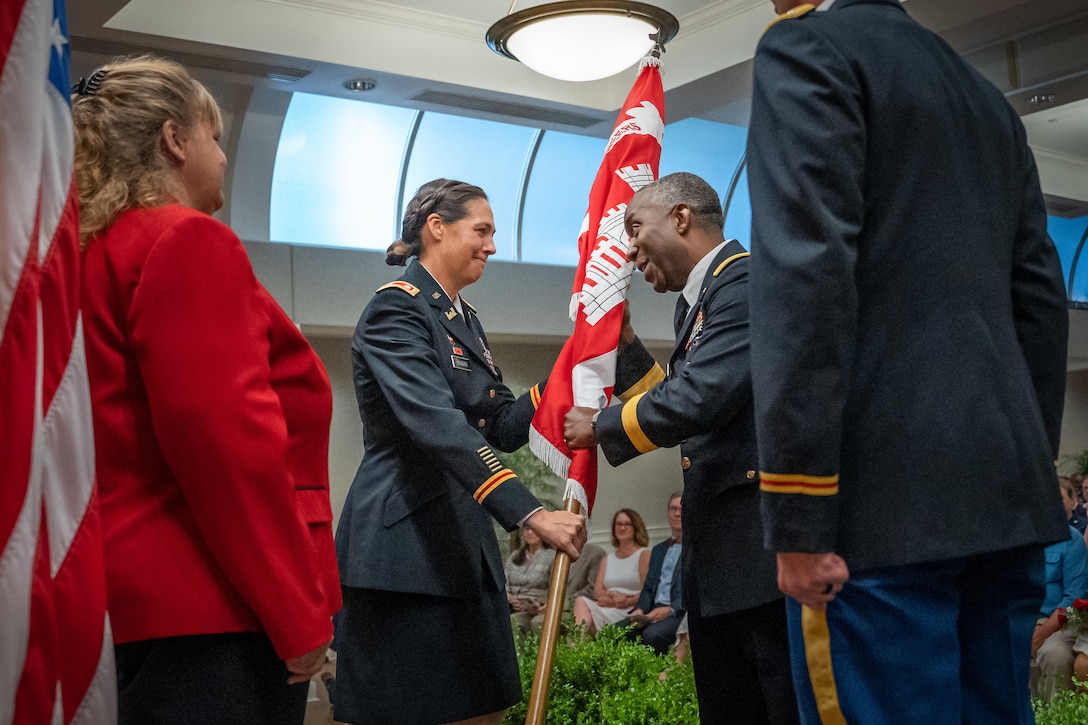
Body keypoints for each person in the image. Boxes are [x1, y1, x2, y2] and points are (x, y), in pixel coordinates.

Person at [746, 1, 1070, 723]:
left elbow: (805, 281)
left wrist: (799, 516)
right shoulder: (983, 97)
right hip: (1001, 502)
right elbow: (1041, 300)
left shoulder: (804, 49)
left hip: (873, 508)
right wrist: (1017, 467)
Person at [74, 56, 340, 724]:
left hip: (112, 606)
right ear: (174, 140)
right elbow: (228, 447)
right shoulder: (185, 240)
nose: (222, 156)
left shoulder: (81, 259)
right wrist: (298, 613)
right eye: (214, 136)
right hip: (211, 609)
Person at [333, 178, 587, 725]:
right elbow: (438, 425)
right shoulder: (394, 310)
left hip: (460, 545)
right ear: (437, 227)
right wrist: (532, 512)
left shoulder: (463, 319)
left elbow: (497, 425)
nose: (492, 245)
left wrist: (572, 368)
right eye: (483, 230)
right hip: (405, 551)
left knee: (482, 708)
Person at [565, 172, 798, 724]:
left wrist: (600, 426)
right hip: (722, 558)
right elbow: (687, 406)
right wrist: (623, 349)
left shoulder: (744, 284)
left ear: (681, 217)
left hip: (759, 556)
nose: (629, 246)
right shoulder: (698, 300)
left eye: (635, 227)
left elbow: (704, 396)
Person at [1034, 478, 1088, 699]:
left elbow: (1075, 599)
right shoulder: (1015, 540)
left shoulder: (1071, 540)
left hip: (1053, 624)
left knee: (1055, 655)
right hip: (1014, 621)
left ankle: (1055, 718)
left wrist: (1039, 634)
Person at [572, 509, 651, 637]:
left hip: (631, 609)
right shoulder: (608, 558)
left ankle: (581, 651)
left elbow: (647, 590)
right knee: (581, 601)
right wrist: (614, 599)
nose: (622, 528)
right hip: (608, 606)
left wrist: (626, 600)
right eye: (618, 524)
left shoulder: (644, 554)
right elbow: (598, 591)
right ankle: (576, 651)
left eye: (627, 524)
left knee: (588, 622)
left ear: (636, 527)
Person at [623, 493, 685, 656]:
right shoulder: (658, 550)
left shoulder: (696, 550)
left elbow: (695, 591)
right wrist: (640, 610)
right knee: (619, 630)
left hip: (679, 613)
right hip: (651, 611)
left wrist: (670, 610)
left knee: (652, 635)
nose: (677, 513)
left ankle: (659, 678)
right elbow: (648, 588)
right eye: (673, 509)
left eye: (681, 509)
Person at [505, 527, 557, 635]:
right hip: (511, 604)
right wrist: (511, 599)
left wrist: (549, 603)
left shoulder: (551, 556)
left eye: (534, 529)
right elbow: (503, 583)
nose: (530, 532)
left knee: (514, 621)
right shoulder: (515, 555)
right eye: (526, 529)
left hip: (535, 606)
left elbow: (556, 586)